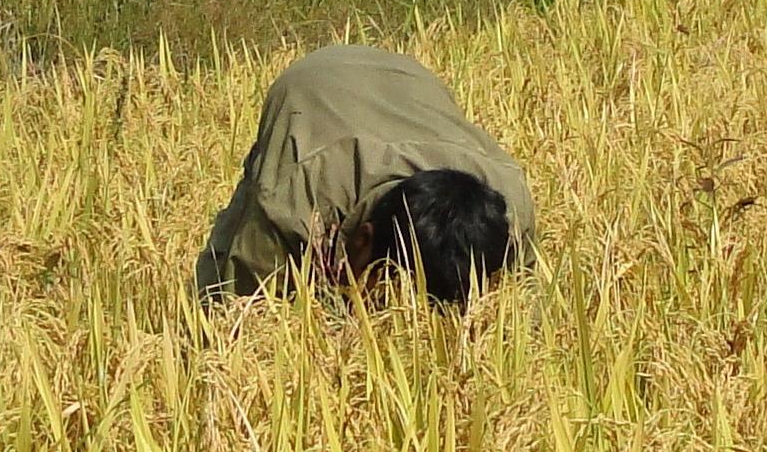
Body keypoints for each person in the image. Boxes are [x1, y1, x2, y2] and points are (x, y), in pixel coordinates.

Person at [196, 44, 532, 304]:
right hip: (315, 85)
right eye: (395, 295)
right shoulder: (296, 199)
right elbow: (240, 306)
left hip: (412, 84)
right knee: (215, 280)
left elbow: (521, 310)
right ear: (362, 240)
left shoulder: (510, 214)